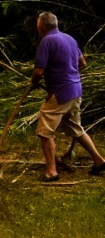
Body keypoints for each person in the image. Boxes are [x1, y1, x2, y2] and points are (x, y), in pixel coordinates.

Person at [30, 11, 105, 181]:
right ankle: (99, 160)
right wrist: (70, 76)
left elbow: (38, 71)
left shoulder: (46, 42)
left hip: (60, 94)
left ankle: (51, 171)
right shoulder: (69, 39)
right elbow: (82, 63)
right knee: (75, 129)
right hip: (75, 91)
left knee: (45, 132)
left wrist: (34, 83)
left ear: (41, 27)